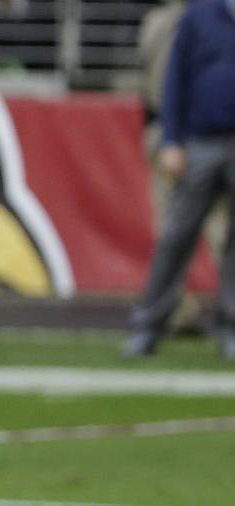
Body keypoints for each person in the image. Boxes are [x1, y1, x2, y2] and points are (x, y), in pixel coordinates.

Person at [123, 0, 235, 360]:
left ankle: (230, 326)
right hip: (199, 140)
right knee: (176, 235)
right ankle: (148, 324)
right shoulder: (200, 14)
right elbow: (176, 76)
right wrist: (173, 138)